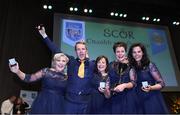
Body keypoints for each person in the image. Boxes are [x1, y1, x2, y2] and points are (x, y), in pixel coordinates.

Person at [37, 25, 95, 114]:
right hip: (70, 102)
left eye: (83, 49)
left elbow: (104, 70)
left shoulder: (92, 64)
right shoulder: (71, 61)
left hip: (85, 103)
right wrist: (44, 35)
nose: (81, 51)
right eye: (78, 49)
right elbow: (56, 50)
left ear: (86, 51)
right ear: (76, 52)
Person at [128, 42, 169, 114]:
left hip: (151, 98)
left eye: (139, 51)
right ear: (131, 54)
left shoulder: (150, 65)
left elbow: (161, 83)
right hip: (137, 100)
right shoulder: (131, 67)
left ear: (143, 53)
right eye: (134, 52)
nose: (136, 54)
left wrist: (151, 88)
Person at [109, 42, 138, 114]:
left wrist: (124, 85)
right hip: (114, 98)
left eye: (122, 51)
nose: (120, 54)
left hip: (128, 98)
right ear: (114, 53)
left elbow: (133, 82)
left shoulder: (130, 65)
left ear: (125, 52)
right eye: (117, 51)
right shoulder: (110, 65)